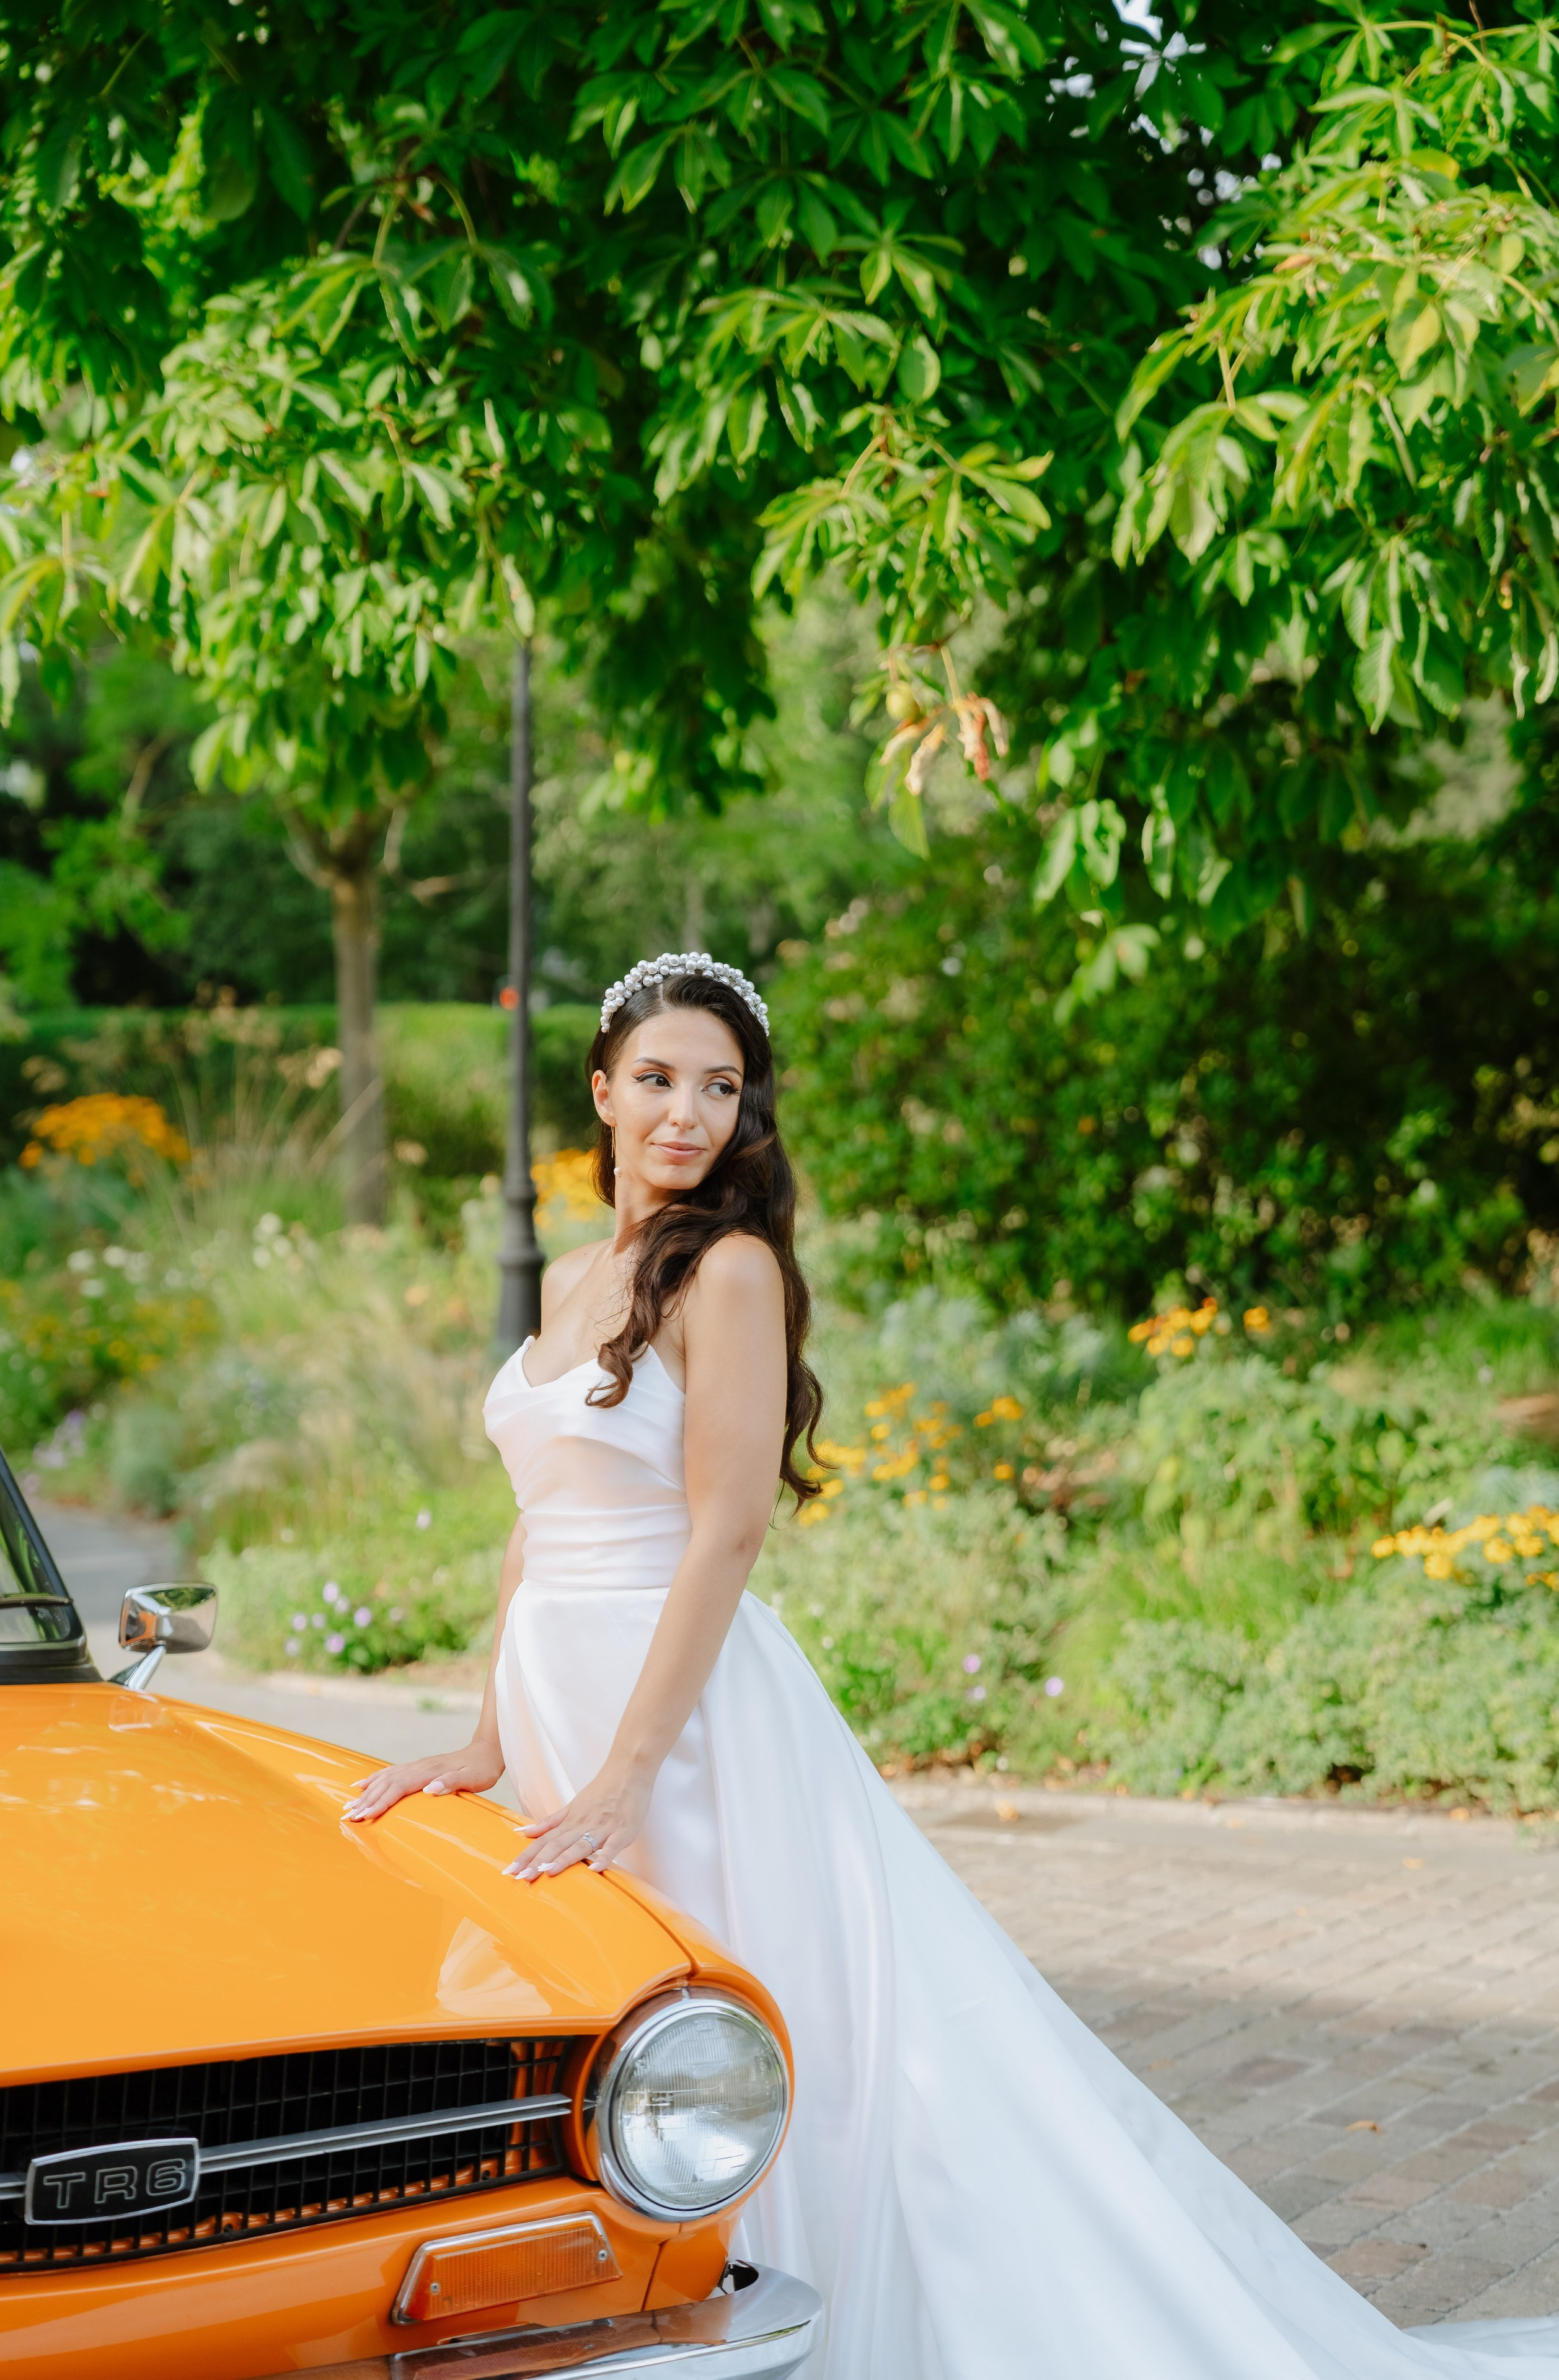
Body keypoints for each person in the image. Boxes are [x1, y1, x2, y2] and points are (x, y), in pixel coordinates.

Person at [345, 952, 1559, 2379]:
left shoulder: (723, 1270)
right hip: (563, 1695)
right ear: (602, 1090)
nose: (686, 1115)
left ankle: (769, 2318)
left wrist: (626, 1772)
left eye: (719, 1089)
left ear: (745, 1115)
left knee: (726, 2018)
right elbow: (533, 1531)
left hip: (679, 1718)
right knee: (605, 2025)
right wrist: (484, 1740)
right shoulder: (566, 1278)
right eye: (659, 1081)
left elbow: (726, 1533)